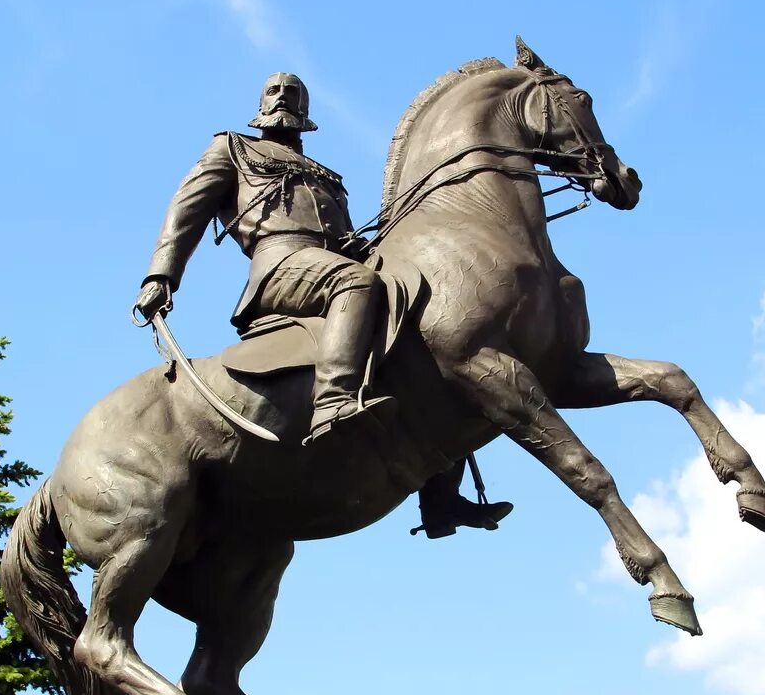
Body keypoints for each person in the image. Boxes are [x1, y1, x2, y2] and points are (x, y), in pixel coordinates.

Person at [134, 72, 511, 532]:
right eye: (273, 91)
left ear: (306, 110)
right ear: (260, 102)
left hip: (328, 267)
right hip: (280, 268)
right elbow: (186, 211)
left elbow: (346, 240)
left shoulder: (326, 175)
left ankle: (440, 498)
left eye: (292, 93)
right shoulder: (232, 148)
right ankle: (333, 402)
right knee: (356, 283)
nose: (282, 97)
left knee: (427, 338)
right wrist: (161, 275)